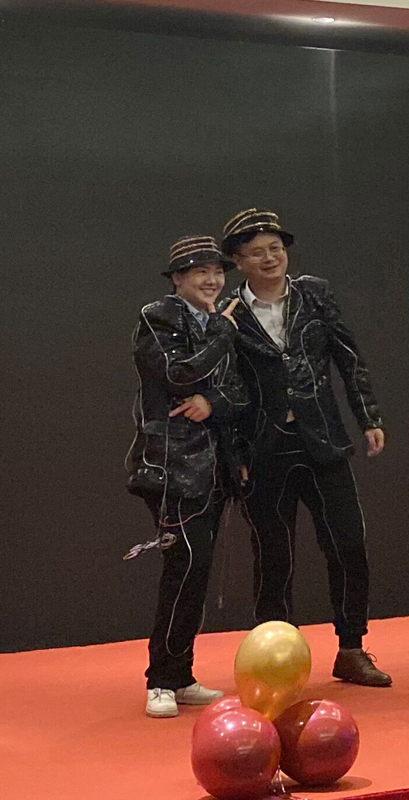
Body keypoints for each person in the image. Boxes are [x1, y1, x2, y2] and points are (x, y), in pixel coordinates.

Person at [220, 208, 391, 687]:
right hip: (263, 447)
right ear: (239, 261)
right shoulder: (228, 316)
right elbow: (227, 389)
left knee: (348, 543)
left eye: (276, 248)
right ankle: (276, 660)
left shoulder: (314, 293)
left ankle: (352, 648)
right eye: (257, 252)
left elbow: (348, 357)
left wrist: (368, 417)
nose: (270, 258)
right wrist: (235, 456)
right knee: (273, 556)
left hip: (323, 438)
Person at [126, 235, 247, 718]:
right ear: (178, 279)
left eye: (217, 272)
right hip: (170, 467)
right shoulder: (157, 317)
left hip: (214, 467)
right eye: (200, 272)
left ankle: (181, 675)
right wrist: (223, 334)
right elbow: (176, 374)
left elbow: (238, 392)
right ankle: (160, 679)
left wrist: (211, 402)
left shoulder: (218, 324)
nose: (212, 281)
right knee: (184, 566)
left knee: (197, 571)